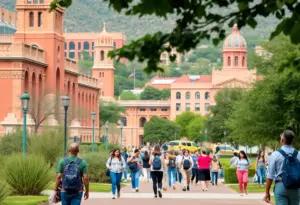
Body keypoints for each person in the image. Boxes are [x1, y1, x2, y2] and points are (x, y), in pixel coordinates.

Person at [264, 130, 300, 205]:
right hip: (295, 188)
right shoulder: (298, 154)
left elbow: (270, 175)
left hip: (281, 186)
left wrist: (267, 192)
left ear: (282, 140)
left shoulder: (275, 154)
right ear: (292, 140)